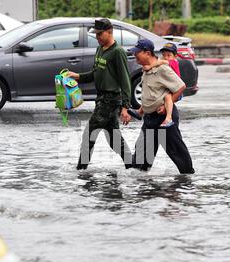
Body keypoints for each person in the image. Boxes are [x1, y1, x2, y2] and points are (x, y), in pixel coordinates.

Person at [67, 18, 133, 170]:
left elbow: (125, 81)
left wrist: (125, 107)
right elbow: (95, 73)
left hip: (110, 100)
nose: (97, 38)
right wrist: (77, 76)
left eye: (99, 34)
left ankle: (81, 170)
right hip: (101, 98)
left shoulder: (117, 52)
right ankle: (132, 166)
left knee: (88, 135)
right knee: (114, 140)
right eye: (95, 35)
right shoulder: (100, 49)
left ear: (109, 32)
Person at [128, 39, 195, 174]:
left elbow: (180, 86)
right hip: (149, 118)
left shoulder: (162, 69)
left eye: (137, 53)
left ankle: (188, 178)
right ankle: (141, 184)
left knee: (176, 151)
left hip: (163, 118)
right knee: (140, 157)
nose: (134, 56)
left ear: (147, 53)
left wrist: (165, 107)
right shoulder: (146, 69)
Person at [128, 42, 181, 128]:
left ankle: (169, 118)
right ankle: (140, 112)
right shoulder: (150, 68)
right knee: (148, 141)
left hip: (163, 110)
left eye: (169, 55)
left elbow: (181, 87)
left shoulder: (168, 64)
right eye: (164, 55)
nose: (166, 57)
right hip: (150, 118)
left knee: (167, 97)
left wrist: (150, 66)